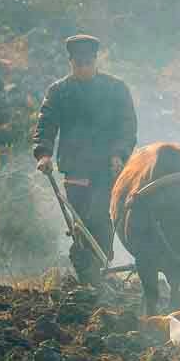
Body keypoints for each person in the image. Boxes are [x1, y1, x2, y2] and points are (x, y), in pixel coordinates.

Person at [32, 34, 136, 286]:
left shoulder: (115, 88)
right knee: (80, 223)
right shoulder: (59, 91)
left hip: (107, 169)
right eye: (78, 63)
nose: (83, 68)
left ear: (95, 61)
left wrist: (119, 154)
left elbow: (127, 126)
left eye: (87, 63)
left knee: (101, 217)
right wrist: (43, 153)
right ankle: (89, 275)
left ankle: (100, 267)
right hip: (75, 168)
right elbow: (46, 124)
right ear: (71, 62)